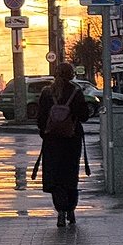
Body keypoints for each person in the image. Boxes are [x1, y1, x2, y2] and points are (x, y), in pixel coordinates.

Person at [35, 62, 90, 227]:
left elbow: (40, 120)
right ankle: (71, 211)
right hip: (72, 140)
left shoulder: (46, 93)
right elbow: (84, 116)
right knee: (70, 175)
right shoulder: (76, 92)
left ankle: (60, 212)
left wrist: (46, 131)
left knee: (56, 176)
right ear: (72, 75)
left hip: (52, 142)